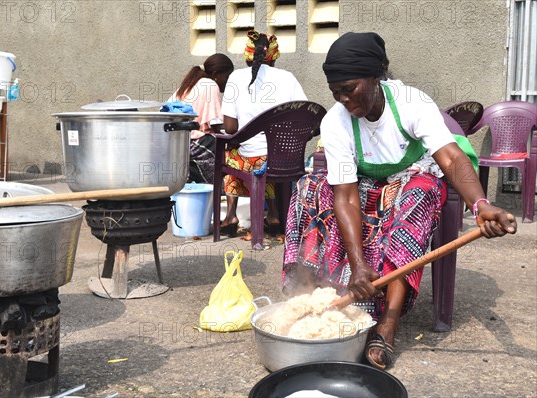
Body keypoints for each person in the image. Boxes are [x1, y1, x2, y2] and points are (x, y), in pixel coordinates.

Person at [282, 32, 517, 369]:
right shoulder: (335, 121)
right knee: (308, 187)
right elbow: (346, 195)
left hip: (412, 176)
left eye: (350, 89)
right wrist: (359, 264)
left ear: (377, 75)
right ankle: (309, 300)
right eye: (336, 93)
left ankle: (388, 324)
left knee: (419, 193)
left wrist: (481, 205)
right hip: (364, 184)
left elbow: (450, 159)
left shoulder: (411, 103)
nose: (344, 99)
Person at [219, 30, 307, 236]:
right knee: (263, 156)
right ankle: (274, 214)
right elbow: (303, 113)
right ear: (274, 56)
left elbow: (230, 128)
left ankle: (230, 215)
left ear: (247, 55)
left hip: (255, 159)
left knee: (232, 155)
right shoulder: (288, 77)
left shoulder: (236, 77)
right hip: (286, 158)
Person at [169, 53, 234, 184]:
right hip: (194, 142)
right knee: (224, 146)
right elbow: (215, 124)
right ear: (216, 74)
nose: (228, 82)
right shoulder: (210, 85)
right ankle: (220, 188)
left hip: (177, 141)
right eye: (227, 77)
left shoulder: (190, 83)